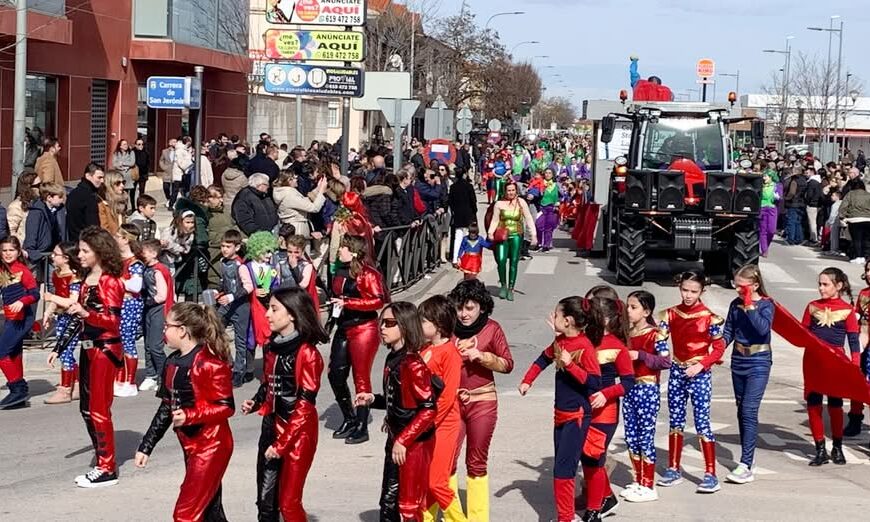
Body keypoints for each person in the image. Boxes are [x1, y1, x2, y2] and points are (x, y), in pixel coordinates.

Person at [135, 302, 235, 521]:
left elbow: (226, 407)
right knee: (210, 509)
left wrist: (191, 415)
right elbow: (165, 408)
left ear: (182, 330)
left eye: (167, 326)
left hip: (212, 444)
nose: (163, 331)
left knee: (186, 514)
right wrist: (146, 446)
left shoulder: (210, 363)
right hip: (190, 444)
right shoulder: (171, 362)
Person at [241, 288, 328, 521]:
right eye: (268, 307)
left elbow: (305, 405)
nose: (267, 314)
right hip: (271, 425)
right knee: (265, 500)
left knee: (289, 503)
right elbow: (268, 382)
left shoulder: (307, 353)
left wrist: (282, 443)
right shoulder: (271, 347)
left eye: (274, 308)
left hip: (298, 433)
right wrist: (257, 401)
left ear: (292, 314)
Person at [519, 296, 603, 522]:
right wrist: (528, 380)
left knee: (563, 470)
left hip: (576, 417)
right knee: (561, 466)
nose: (552, 317)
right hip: (560, 415)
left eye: (556, 314)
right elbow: (543, 359)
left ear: (567, 320)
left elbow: (595, 382)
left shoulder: (584, 346)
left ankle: (566, 517)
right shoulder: (561, 342)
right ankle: (565, 515)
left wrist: (570, 365)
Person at [355, 302, 437, 522]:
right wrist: (373, 399)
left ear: (405, 326)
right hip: (397, 438)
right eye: (381, 322)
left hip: (412, 443)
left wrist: (404, 440)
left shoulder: (412, 364)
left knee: (408, 506)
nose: (382, 327)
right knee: (389, 501)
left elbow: (428, 409)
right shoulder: (394, 357)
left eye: (389, 323)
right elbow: (401, 400)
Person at [447, 279, 514, 521]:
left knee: (476, 463)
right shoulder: (448, 327)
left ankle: (477, 518)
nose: (463, 314)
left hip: (482, 402)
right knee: (446, 461)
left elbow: (508, 364)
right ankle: (454, 516)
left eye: (469, 308)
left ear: (482, 308)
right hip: (452, 403)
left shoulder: (492, 329)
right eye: (459, 307)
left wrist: (482, 356)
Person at [656, 270, 726, 493]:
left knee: (702, 422)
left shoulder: (710, 318)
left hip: (700, 374)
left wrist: (701, 365)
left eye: (693, 291)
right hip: (677, 370)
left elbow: (719, 348)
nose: (688, 295)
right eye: (685, 290)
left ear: (702, 291)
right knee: (675, 421)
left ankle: (710, 473)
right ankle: (673, 468)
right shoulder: (669, 314)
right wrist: (664, 353)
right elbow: (660, 339)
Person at [68, 226, 124, 487]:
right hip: (88, 346)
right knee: (86, 409)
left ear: (99, 252)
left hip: (104, 349)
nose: (80, 255)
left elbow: (113, 321)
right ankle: (103, 456)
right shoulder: (88, 277)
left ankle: (107, 467)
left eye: (85, 250)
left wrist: (85, 313)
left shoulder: (110, 281)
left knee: (99, 409)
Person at [329, 235, 389, 445]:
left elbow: (378, 300)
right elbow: (336, 299)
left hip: (364, 328)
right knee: (335, 374)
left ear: (352, 251)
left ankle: (362, 425)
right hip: (343, 326)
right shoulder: (339, 270)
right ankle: (349, 417)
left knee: (361, 377)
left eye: (343, 248)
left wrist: (349, 302)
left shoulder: (368, 274)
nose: (339, 251)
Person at [581, 294, 635, 520]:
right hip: (582, 407)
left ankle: (593, 511)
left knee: (595, 458)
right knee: (586, 457)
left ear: (605, 319)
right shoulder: (583, 340)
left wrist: (606, 394)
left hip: (605, 411)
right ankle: (606, 497)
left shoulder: (617, 346)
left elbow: (628, 382)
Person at [720, 264, 775, 484]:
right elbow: (729, 331)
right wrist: (716, 349)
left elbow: (762, 329)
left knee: (750, 410)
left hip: (759, 360)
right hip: (738, 360)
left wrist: (750, 304)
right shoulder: (735, 304)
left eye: (743, 287)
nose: (738, 291)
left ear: (754, 285)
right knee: (741, 410)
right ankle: (746, 458)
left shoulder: (766, 305)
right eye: (736, 286)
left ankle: (745, 463)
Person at [802, 267, 860, 466]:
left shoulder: (847, 310)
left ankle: (837, 447)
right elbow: (803, 334)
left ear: (839, 286)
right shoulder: (811, 307)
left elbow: (853, 340)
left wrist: (855, 364)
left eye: (825, 284)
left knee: (835, 403)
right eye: (819, 283)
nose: (821, 288)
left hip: (836, 361)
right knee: (814, 402)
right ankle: (819, 449)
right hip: (813, 361)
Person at [418, 296, 466, 522]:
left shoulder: (450, 353)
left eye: (424, 321)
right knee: (426, 480)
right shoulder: (426, 349)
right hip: (427, 422)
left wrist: (430, 422)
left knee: (437, 481)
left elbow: (448, 396)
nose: (420, 324)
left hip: (444, 423)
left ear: (438, 325)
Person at [621, 290, 670, 503]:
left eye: (634, 307)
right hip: (629, 388)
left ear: (646, 311)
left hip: (647, 389)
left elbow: (665, 361)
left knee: (645, 436)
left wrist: (640, 355)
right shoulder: (627, 334)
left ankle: (648, 484)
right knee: (631, 435)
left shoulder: (655, 334)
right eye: (628, 307)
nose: (628, 311)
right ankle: (638, 479)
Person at [0, 237, 39, 409]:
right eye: (4, 250)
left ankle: (17, 388)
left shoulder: (23, 270)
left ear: (18, 252)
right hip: (10, 317)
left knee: (2, 353)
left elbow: (35, 294)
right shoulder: (2, 270)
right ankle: (19, 394)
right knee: (14, 353)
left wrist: (22, 301)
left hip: (23, 317)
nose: (8, 253)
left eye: (11, 250)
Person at [43, 242, 83, 404]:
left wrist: (52, 298)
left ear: (66, 258)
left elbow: (72, 301)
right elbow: (58, 295)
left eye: (55, 254)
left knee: (65, 352)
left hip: (73, 318)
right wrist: (48, 312)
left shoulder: (75, 277)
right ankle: (77, 384)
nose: (52, 257)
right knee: (66, 352)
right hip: (61, 317)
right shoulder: (57, 274)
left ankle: (65, 389)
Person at [486, 181, 538, 301]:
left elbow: (529, 218)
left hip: (516, 235)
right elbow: (495, 220)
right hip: (502, 235)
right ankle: (503, 285)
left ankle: (511, 288)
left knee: (514, 262)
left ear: (516, 191)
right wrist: (490, 232)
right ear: (505, 191)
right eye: (509, 190)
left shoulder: (521, 202)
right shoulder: (499, 204)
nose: (511, 192)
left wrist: (533, 235)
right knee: (501, 260)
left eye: (513, 190)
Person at [216, 229, 254, 388]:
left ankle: (239, 371)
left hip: (241, 306)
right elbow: (225, 283)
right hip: (226, 305)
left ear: (237, 248)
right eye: (223, 246)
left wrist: (231, 296)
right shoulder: (223, 263)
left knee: (240, 340)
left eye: (228, 246)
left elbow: (249, 286)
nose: (224, 249)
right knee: (215, 329)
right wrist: (218, 292)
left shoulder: (241, 265)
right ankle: (226, 361)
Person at [138, 239, 174, 393]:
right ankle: (150, 374)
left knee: (155, 346)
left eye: (144, 252)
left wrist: (147, 301)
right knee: (147, 345)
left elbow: (162, 295)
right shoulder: (146, 268)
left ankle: (165, 375)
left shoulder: (159, 270)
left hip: (158, 309)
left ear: (153, 253)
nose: (141, 255)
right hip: (149, 309)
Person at [114, 224, 145, 397]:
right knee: (118, 342)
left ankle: (130, 381)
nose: (116, 239)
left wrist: (118, 281)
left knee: (128, 342)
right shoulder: (119, 260)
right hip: (118, 304)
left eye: (118, 236)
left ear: (126, 239)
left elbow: (136, 285)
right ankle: (119, 379)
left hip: (130, 304)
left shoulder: (135, 263)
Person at [23, 182, 67, 279]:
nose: (62, 200)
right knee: (34, 281)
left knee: (53, 281)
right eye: (59, 197)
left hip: (52, 252)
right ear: (49, 198)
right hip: (37, 253)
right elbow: (32, 233)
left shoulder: (59, 210)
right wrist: (32, 252)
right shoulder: (36, 212)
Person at [273, 171, 327, 238]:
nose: (297, 180)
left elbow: (304, 202)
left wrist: (318, 189)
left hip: (292, 226)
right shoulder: (290, 195)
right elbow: (314, 208)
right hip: (297, 228)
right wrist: (321, 192)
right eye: (294, 178)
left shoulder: (285, 193)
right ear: (289, 181)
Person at [448, 169, 478, 264]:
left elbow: (450, 201)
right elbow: (473, 200)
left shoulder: (453, 187)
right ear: (464, 174)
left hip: (457, 214)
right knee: (467, 237)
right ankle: (465, 256)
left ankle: (455, 258)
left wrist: (453, 211)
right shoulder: (469, 186)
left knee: (458, 236)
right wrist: (474, 211)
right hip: (468, 213)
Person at [837, 179, 870, 264]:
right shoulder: (868, 195)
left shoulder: (850, 194)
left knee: (857, 239)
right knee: (866, 239)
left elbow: (843, 206)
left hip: (854, 219)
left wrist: (842, 217)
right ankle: (865, 256)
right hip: (868, 219)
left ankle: (858, 256)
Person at [6, 170, 41, 244]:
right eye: (38, 185)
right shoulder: (16, 206)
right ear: (28, 187)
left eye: (42, 184)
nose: (41, 188)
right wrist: (20, 247)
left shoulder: (39, 203)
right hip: (24, 249)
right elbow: (11, 231)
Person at [535, 168, 561, 252]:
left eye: (549, 173)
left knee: (549, 227)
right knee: (539, 225)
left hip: (552, 208)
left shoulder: (556, 185)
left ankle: (546, 245)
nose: (547, 174)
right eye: (546, 173)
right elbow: (534, 192)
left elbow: (564, 195)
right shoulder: (540, 183)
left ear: (552, 175)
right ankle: (539, 243)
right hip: (541, 207)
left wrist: (559, 202)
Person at [759, 170, 781, 257]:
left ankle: (766, 246)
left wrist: (777, 197)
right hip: (762, 207)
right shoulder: (761, 185)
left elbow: (780, 197)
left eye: (766, 176)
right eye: (763, 176)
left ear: (771, 177)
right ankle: (764, 249)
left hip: (772, 208)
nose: (764, 178)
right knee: (763, 230)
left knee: (771, 230)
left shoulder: (777, 186)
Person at [97, 170, 127, 235]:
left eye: (123, 182)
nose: (122, 186)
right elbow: (104, 229)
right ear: (109, 185)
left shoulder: (122, 200)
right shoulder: (102, 204)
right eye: (118, 183)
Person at [112, 139, 137, 210]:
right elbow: (114, 164)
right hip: (119, 175)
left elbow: (132, 162)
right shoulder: (116, 153)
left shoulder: (131, 152)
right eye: (124, 144)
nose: (126, 146)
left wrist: (122, 163)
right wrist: (121, 167)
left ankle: (125, 209)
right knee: (119, 193)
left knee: (126, 194)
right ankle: (119, 208)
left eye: (126, 144)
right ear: (120, 146)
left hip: (128, 176)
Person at [171, 137, 193, 209]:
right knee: (177, 190)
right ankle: (172, 204)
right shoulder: (180, 150)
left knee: (182, 189)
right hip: (179, 173)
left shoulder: (184, 150)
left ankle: (181, 203)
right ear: (187, 142)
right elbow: (181, 163)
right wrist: (189, 163)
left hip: (183, 173)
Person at [158, 138, 178, 207]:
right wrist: (164, 167)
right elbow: (161, 160)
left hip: (175, 172)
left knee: (174, 188)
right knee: (165, 187)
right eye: (173, 142)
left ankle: (173, 201)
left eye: (175, 142)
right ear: (169, 143)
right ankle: (168, 198)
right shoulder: (164, 151)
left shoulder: (178, 151)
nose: (174, 143)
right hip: (167, 172)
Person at [133, 138, 150, 206]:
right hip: (135, 174)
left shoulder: (146, 152)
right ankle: (133, 207)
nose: (141, 146)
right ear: (135, 145)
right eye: (139, 144)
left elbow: (148, 163)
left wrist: (146, 172)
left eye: (142, 144)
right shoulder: (133, 152)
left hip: (143, 174)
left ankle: (140, 205)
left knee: (142, 191)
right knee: (132, 192)